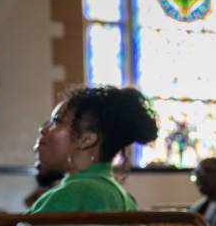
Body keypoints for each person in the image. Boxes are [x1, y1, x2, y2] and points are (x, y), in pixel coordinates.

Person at [28, 86, 158, 213]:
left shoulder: (72, 194)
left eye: (57, 121)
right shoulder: (122, 196)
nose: (43, 129)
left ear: (86, 139)